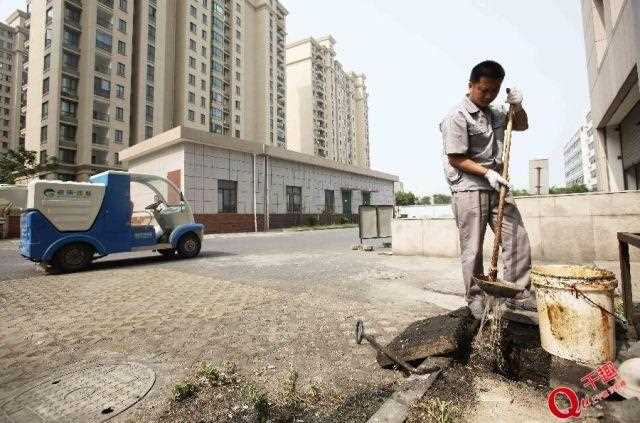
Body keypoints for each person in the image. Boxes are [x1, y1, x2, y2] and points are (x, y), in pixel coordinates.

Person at [439, 60, 535, 319]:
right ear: (470, 86)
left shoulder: (495, 114)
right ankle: (476, 298)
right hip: (470, 188)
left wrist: (517, 105)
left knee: (517, 238)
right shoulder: (456, 116)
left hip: (498, 187)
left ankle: (518, 293)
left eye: (494, 90)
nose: (489, 95)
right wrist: (487, 172)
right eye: (483, 90)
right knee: (473, 249)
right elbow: (455, 158)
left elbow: (521, 124)